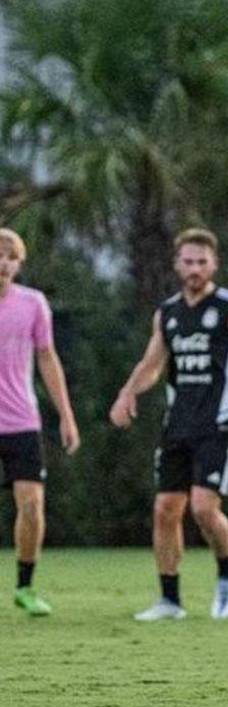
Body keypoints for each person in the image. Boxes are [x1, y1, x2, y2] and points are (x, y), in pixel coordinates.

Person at [109, 228, 228, 622]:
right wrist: (128, 393)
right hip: (177, 423)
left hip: (219, 422)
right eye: (188, 261)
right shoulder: (167, 313)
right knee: (165, 508)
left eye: (202, 262)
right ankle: (169, 599)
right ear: (177, 265)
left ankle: (227, 574)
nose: (195, 268)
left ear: (214, 264)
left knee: (203, 508)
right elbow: (152, 364)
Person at [0, 228, 80, 616]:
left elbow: (47, 359)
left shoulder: (33, 303)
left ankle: (25, 587)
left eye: (10, 257)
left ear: (19, 264)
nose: (3, 263)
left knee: (32, 506)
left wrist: (66, 415)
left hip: (21, 422)